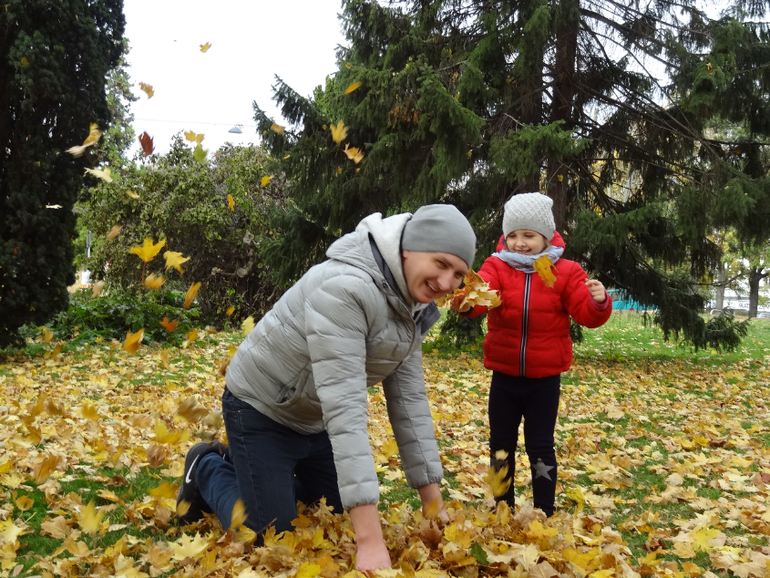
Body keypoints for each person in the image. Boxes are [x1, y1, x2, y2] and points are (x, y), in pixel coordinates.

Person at [176, 204, 476, 572]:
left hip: (313, 417)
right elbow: (345, 407)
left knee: (331, 511)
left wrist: (434, 507)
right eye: (441, 263)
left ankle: (259, 474)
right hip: (262, 407)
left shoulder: (411, 307)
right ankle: (206, 465)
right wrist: (369, 541)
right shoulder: (345, 288)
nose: (446, 283)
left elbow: (409, 404)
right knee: (269, 536)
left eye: (458, 274)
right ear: (408, 249)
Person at [456, 192, 611, 517]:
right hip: (504, 377)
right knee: (500, 445)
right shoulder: (497, 266)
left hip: (544, 380)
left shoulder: (564, 271)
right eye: (513, 235)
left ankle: (545, 510)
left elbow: (585, 314)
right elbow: (482, 297)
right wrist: (467, 300)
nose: (520, 243)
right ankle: (502, 506)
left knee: (540, 445)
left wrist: (598, 302)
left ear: (546, 236)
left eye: (528, 235)